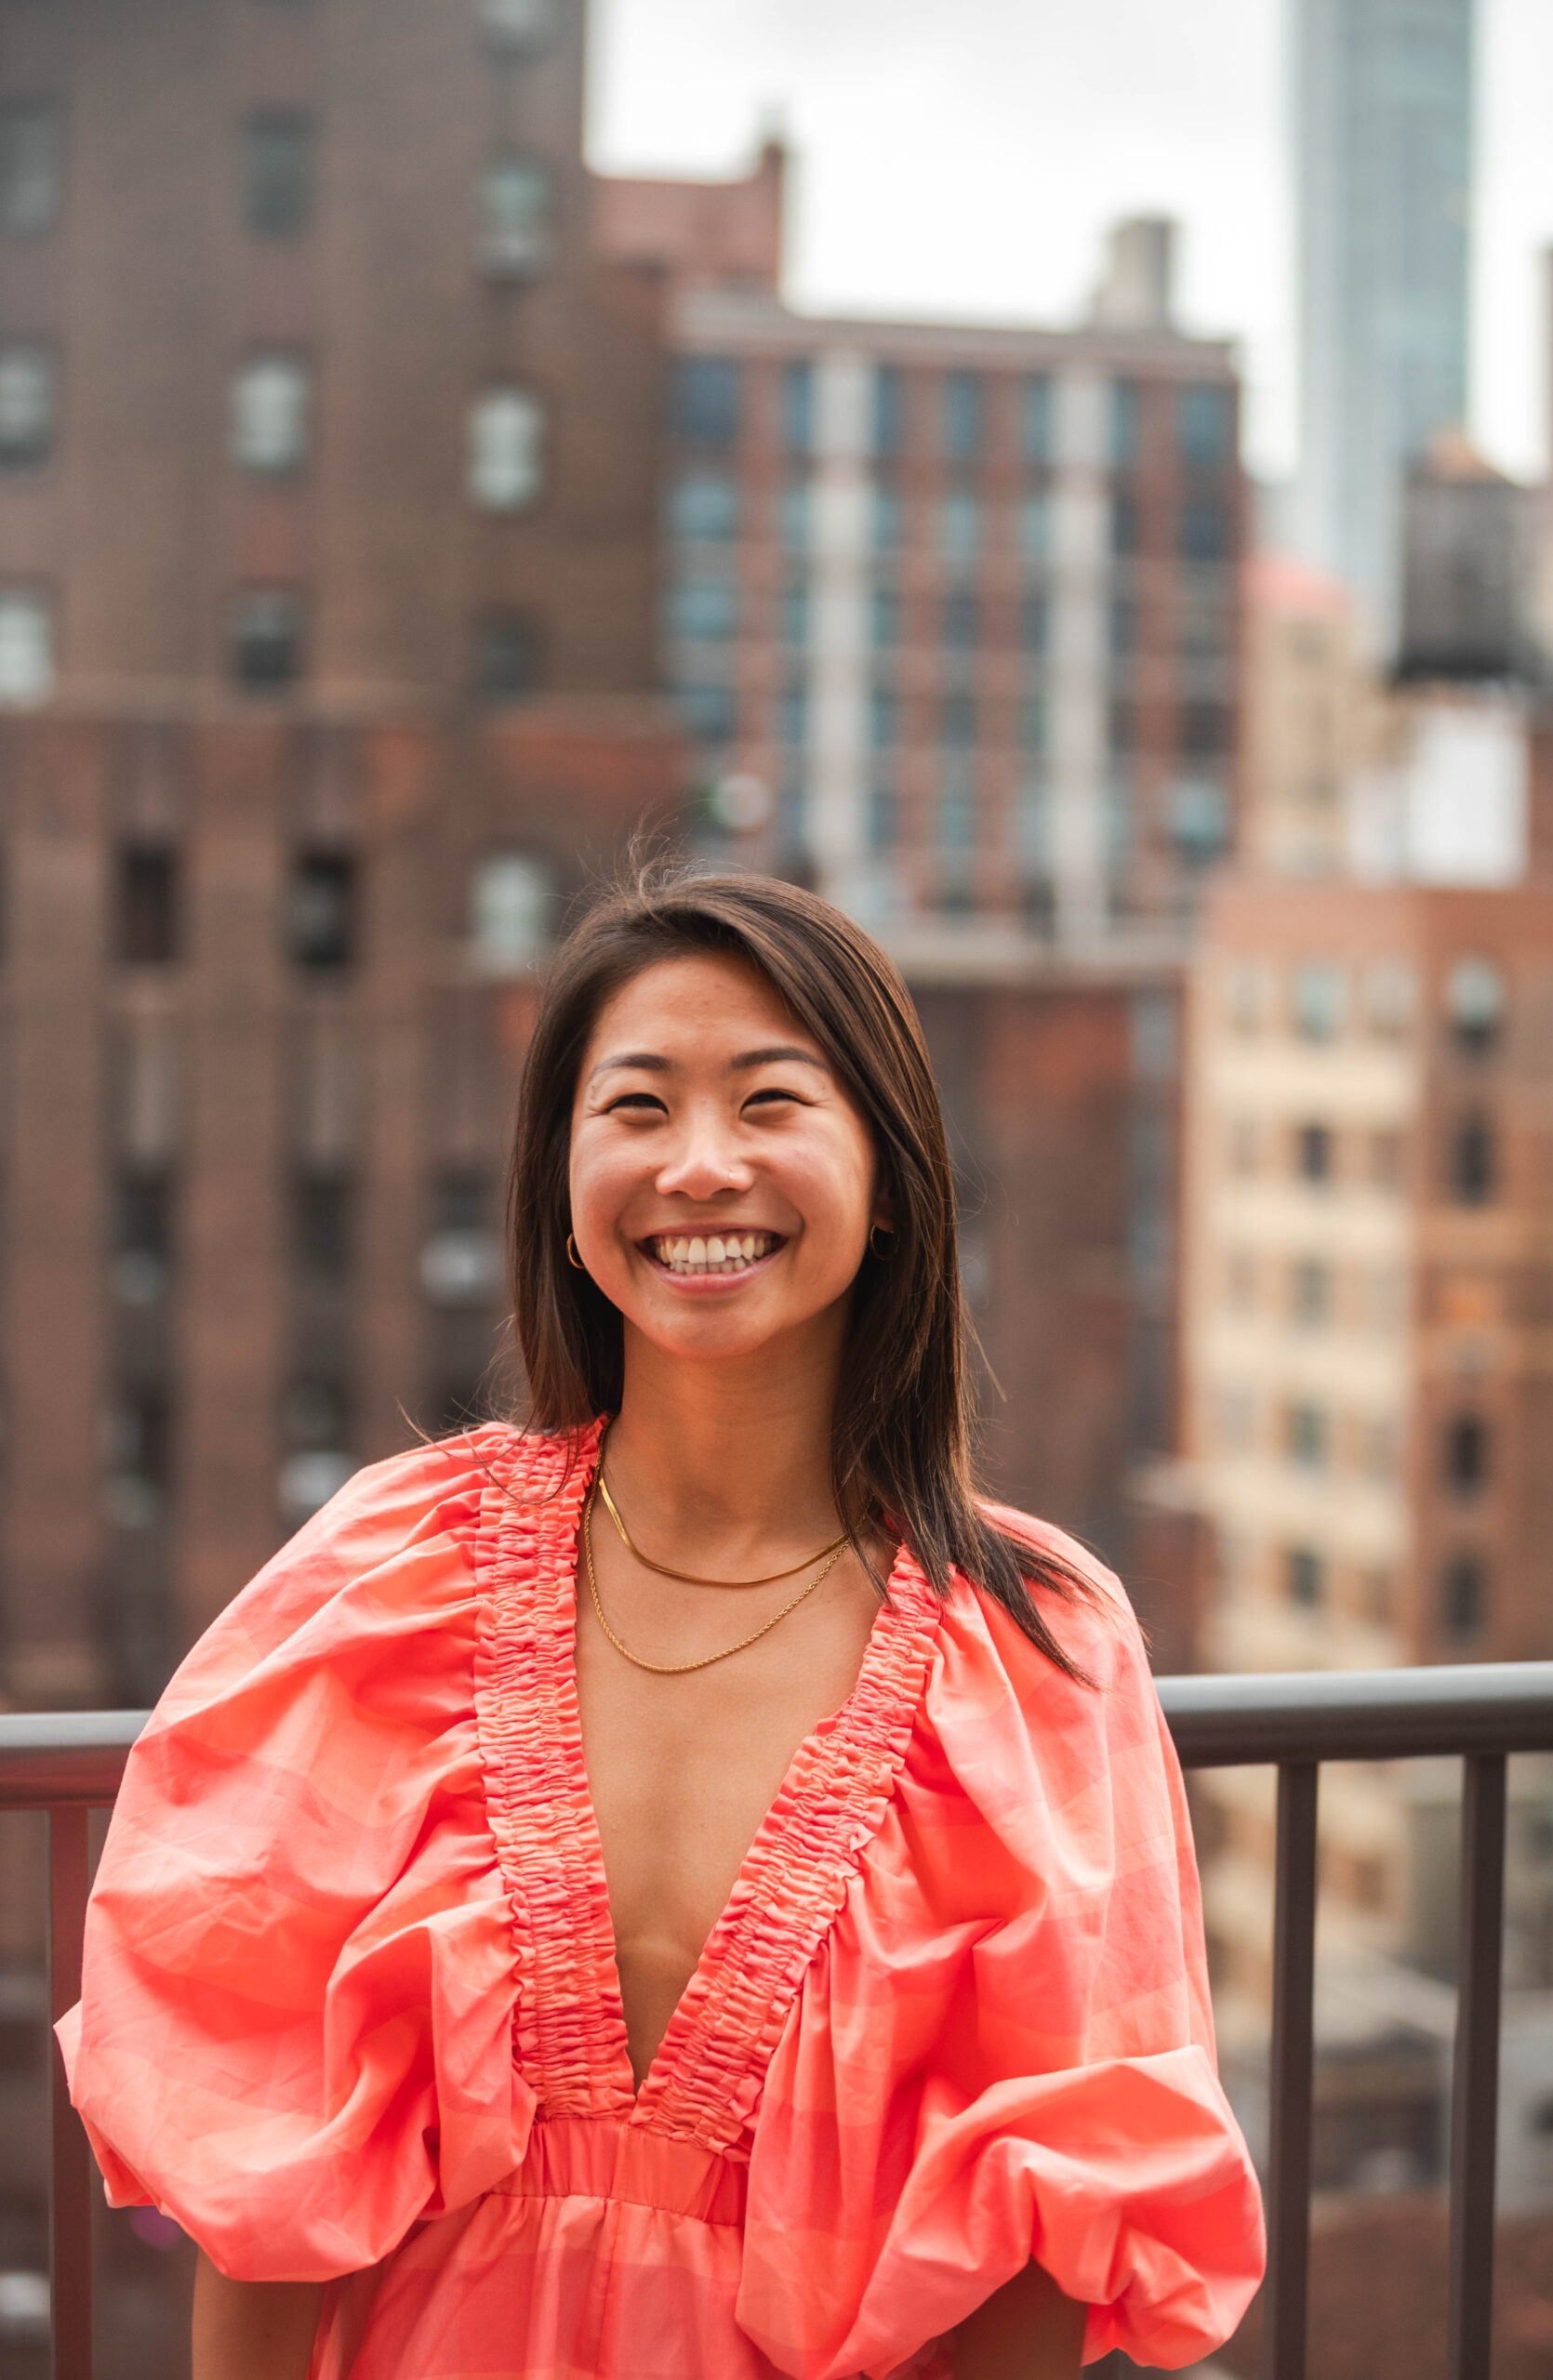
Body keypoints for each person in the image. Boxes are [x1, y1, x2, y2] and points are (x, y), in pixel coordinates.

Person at [60, 869, 1264, 2380]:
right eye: (636, 1108)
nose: (700, 1167)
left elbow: (1061, 2207)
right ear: (560, 1188)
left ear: (889, 1179)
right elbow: (259, 2169)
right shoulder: (388, 1574)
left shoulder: (1035, 1654)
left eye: (770, 1102)